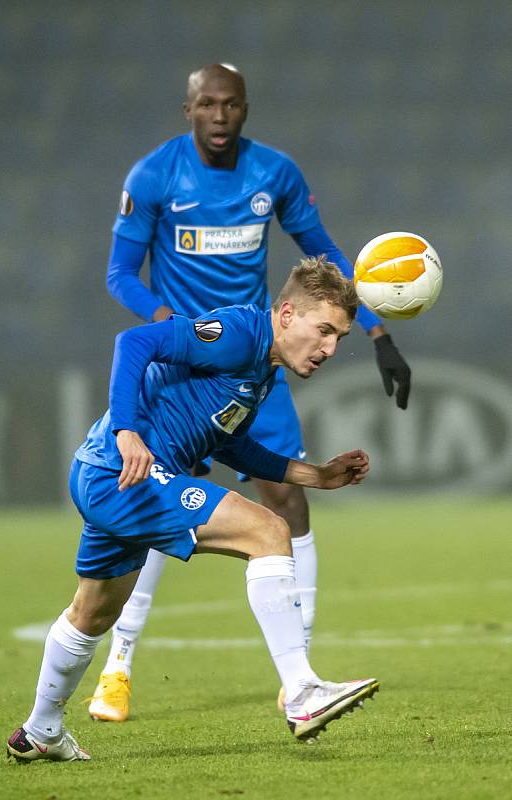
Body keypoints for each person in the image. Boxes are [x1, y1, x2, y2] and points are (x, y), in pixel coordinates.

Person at [90, 63, 409, 722]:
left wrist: (376, 333)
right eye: (206, 104)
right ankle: (117, 665)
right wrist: (165, 325)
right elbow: (121, 272)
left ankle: (300, 669)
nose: (218, 116)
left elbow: (322, 252)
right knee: (151, 498)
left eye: (230, 105)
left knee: (288, 497)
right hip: (186, 368)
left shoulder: (274, 173)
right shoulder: (154, 176)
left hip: (258, 358)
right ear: (187, 109)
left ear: (244, 109)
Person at [7, 258, 378, 762]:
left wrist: (312, 475)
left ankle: (40, 731)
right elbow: (134, 343)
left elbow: (230, 444)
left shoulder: (260, 368)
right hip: (125, 469)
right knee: (268, 530)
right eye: (325, 331)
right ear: (287, 313)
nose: (331, 348)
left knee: (92, 613)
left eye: (339, 337)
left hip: (116, 477)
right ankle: (301, 689)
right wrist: (128, 430)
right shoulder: (236, 333)